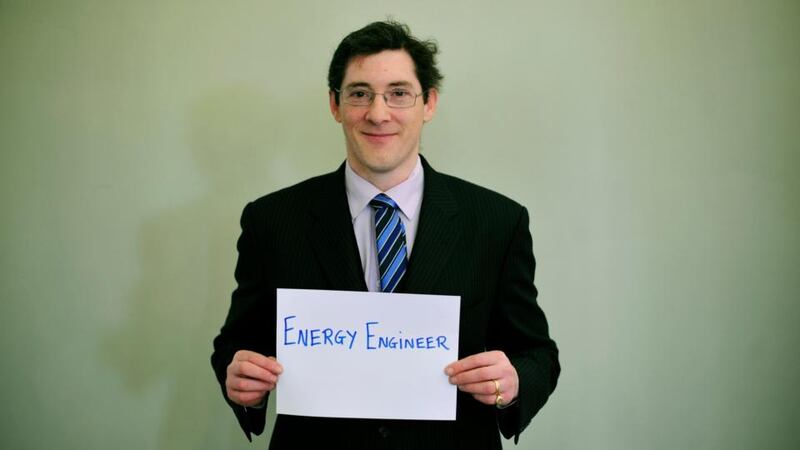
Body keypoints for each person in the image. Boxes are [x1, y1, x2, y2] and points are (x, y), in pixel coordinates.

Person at [211, 20, 560, 449]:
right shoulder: (272, 220)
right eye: (359, 94)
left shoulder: (496, 221)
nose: (378, 113)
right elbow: (237, 343)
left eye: (399, 93)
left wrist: (514, 381)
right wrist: (239, 375)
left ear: (428, 103)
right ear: (335, 105)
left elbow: (538, 355)